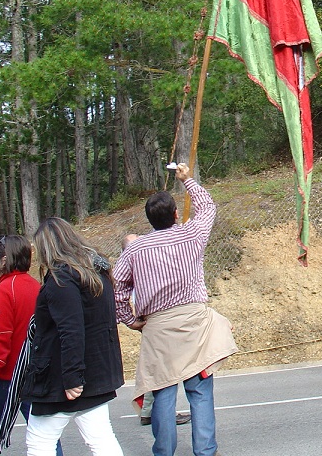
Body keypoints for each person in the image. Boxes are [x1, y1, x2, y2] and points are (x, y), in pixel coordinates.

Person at [114, 163, 238, 456]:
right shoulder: (192, 234)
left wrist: (130, 320)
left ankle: (164, 451)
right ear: (173, 215)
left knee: (164, 392)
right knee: (199, 391)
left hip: (157, 328)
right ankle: (205, 451)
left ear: (149, 220)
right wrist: (187, 180)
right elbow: (207, 208)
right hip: (194, 323)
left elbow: (117, 288)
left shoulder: (134, 249)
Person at [22, 218, 124, 456]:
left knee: (40, 441)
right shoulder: (95, 271)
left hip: (65, 374)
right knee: (100, 438)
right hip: (95, 369)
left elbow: (71, 329)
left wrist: (72, 377)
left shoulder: (62, 279)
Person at [0, 236, 62, 456]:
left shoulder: (3, 292)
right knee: (45, 436)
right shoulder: (38, 287)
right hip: (37, 373)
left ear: (4, 260)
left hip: (7, 377)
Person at [119, 234, 190, 428]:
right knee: (165, 368)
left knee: (159, 367)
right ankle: (158, 411)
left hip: (153, 322)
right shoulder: (134, 270)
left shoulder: (143, 266)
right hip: (153, 323)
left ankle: (148, 410)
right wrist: (132, 321)